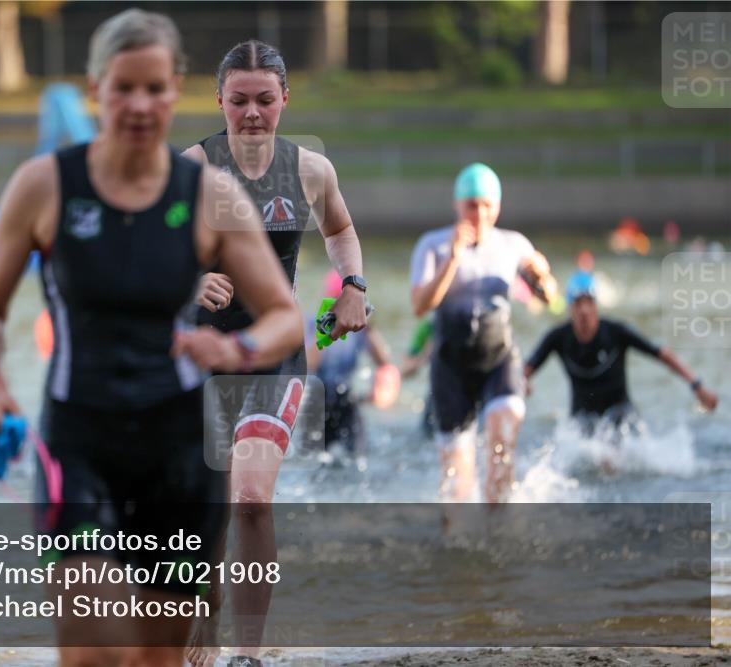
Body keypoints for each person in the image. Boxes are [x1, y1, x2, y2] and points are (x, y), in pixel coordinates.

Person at [0, 11, 303, 667]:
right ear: (96, 88)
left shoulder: (212, 195)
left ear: (176, 89)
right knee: (92, 652)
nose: (140, 105)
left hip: (178, 454)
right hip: (78, 444)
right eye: (124, 88)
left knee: (157, 658)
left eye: (155, 88)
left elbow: (285, 316)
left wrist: (236, 350)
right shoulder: (44, 186)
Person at [182, 40, 369, 667]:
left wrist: (352, 287)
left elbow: (341, 231)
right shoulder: (192, 168)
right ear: (220, 101)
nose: (253, 113)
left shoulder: (310, 170)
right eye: (240, 101)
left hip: (277, 354)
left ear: (285, 99)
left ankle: (250, 654)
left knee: (251, 497)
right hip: (204, 360)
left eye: (266, 99)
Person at [410, 163, 557, 505]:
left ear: (498, 207)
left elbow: (550, 299)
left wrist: (541, 278)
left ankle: (498, 527)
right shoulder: (433, 245)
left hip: (498, 360)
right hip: (450, 368)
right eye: (471, 205)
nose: (478, 214)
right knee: (457, 488)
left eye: (486, 205)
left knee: (502, 442)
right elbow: (420, 306)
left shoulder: (513, 244)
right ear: (457, 206)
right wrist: (454, 257)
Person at [525, 271, 718, 439]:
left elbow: (662, 354)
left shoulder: (617, 332)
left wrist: (697, 386)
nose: (584, 310)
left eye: (589, 302)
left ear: (596, 305)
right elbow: (526, 370)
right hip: (582, 418)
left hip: (620, 413)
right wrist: (521, 385)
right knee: (586, 443)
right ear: (569, 306)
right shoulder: (558, 337)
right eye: (577, 303)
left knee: (611, 451)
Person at [306, 271, 394, 462]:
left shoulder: (358, 329)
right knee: (316, 458)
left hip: (346, 396)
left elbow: (384, 361)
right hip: (319, 398)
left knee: (357, 456)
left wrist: (369, 327)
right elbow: (310, 364)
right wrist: (325, 332)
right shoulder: (312, 324)